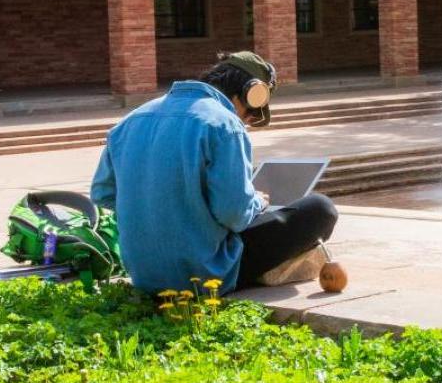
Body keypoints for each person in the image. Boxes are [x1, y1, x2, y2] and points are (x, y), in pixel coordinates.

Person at [91, 50, 338, 295]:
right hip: (203, 273)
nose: (248, 120)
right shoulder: (225, 124)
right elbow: (233, 214)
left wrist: (157, 210)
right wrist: (255, 202)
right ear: (251, 93)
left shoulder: (129, 121)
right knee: (320, 208)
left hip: (143, 273)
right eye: (252, 113)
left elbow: (103, 194)